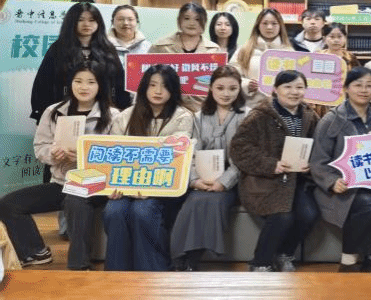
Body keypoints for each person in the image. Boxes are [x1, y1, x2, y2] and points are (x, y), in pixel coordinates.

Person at [0, 63, 118, 270]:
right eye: (78, 81)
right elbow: (40, 147)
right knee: (9, 203)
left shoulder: (113, 115)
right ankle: (34, 251)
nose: (84, 87)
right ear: (70, 83)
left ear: (100, 85)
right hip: (61, 183)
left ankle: (79, 265)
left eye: (91, 82)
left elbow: (117, 155)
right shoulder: (53, 111)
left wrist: (83, 158)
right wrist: (53, 154)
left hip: (96, 184)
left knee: (75, 199)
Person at [103, 64, 194, 271]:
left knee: (143, 211)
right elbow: (112, 154)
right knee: (114, 211)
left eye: (164, 86)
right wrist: (112, 187)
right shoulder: (125, 116)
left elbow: (179, 160)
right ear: (144, 87)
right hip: (126, 186)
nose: (158, 91)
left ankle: (152, 271)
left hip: (163, 189)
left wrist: (151, 189)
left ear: (173, 89)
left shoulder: (182, 117)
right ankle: (116, 273)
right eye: (152, 85)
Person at [230, 70, 320, 272]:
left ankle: (284, 254)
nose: (294, 92)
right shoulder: (259, 115)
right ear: (275, 90)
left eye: (299, 87)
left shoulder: (309, 115)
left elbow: (319, 147)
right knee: (282, 215)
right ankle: (259, 263)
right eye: (287, 87)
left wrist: (311, 164)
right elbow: (238, 148)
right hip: (264, 180)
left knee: (309, 214)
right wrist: (271, 165)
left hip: (297, 180)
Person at [310, 67, 371, 272]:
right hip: (343, 185)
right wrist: (332, 182)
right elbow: (318, 161)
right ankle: (348, 260)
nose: (364, 90)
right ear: (346, 88)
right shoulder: (331, 120)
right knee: (370, 203)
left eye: (369, 86)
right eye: (358, 85)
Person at [170, 65, 248, 271]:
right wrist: (195, 180)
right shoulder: (199, 116)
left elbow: (244, 157)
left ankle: (191, 259)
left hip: (234, 180)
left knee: (214, 202)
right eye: (220, 88)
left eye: (232, 88)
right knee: (194, 200)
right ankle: (179, 258)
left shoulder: (247, 116)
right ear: (211, 88)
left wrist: (224, 182)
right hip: (202, 178)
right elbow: (191, 153)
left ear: (239, 89)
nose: (226, 93)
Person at [31, 2, 129, 124]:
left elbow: (120, 82)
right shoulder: (58, 49)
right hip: (65, 112)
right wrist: (44, 113)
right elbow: (43, 83)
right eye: (80, 20)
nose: (86, 24)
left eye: (92, 20)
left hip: (102, 113)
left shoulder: (107, 49)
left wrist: (122, 110)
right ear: (71, 22)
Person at [149, 2, 221, 112]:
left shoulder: (214, 50)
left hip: (202, 109)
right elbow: (146, 78)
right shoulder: (160, 47)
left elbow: (220, 83)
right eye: (186, 18)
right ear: (179, 21)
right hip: (166, 108)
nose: (191, 23)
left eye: (197, 19)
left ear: (204, 22)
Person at [230, 7, 293, 108]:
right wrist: (246, 84)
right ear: (258, 26)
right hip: (249, 106)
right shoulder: (244, 49)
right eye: (265, 23)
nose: (269, 27)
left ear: (280, 26)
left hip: (280, 107)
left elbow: (295, 80)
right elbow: (230, 75)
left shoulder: (289, 52)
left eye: (274, 23)